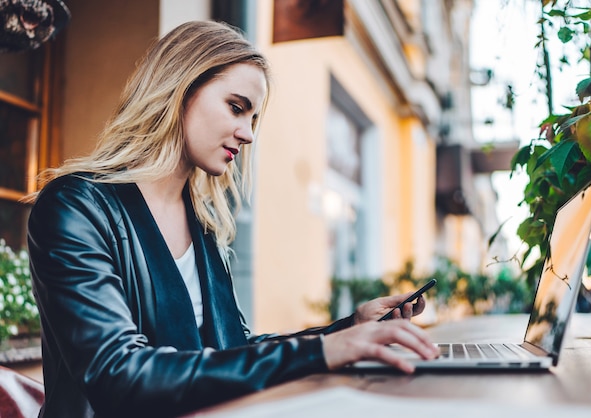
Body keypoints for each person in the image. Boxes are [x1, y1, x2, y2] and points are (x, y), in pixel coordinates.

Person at [26, 20, 439, 418]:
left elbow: (233, 350)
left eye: (253, 118)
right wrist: (322, 353)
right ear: (180, 89)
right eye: (236, 108)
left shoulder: (203, 224)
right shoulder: (76, 208)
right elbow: (120, 373)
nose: (248, 134)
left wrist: (347, 330)